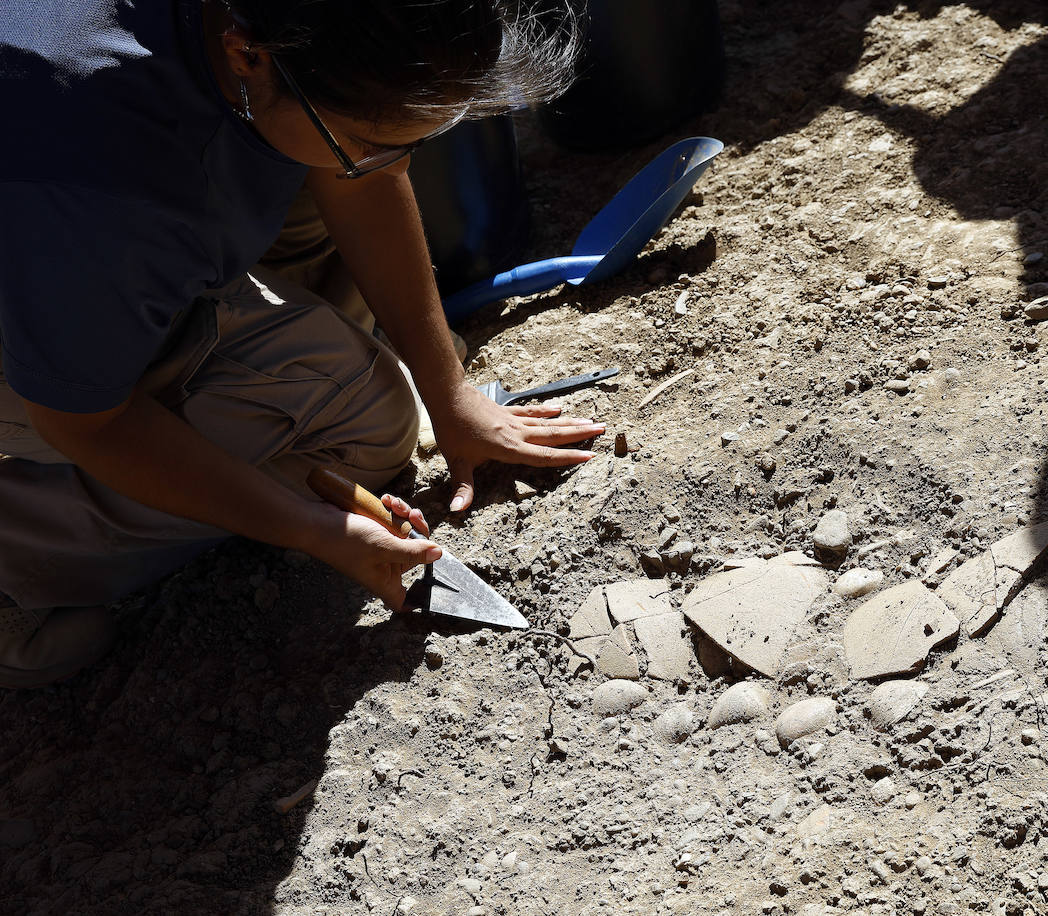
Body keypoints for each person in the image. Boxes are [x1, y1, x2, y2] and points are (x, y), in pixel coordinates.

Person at [0, 0, 602, 688]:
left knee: (325, 164)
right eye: (375, 139)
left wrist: (450, 395)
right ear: (248, 55)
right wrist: (308, 528)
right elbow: (88, 422)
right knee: (369, 427)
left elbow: (370, 175)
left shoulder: (281, 39)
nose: (397, 161)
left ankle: (274, 377)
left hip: (89, 199)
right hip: (47, 240)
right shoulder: (96, 179)